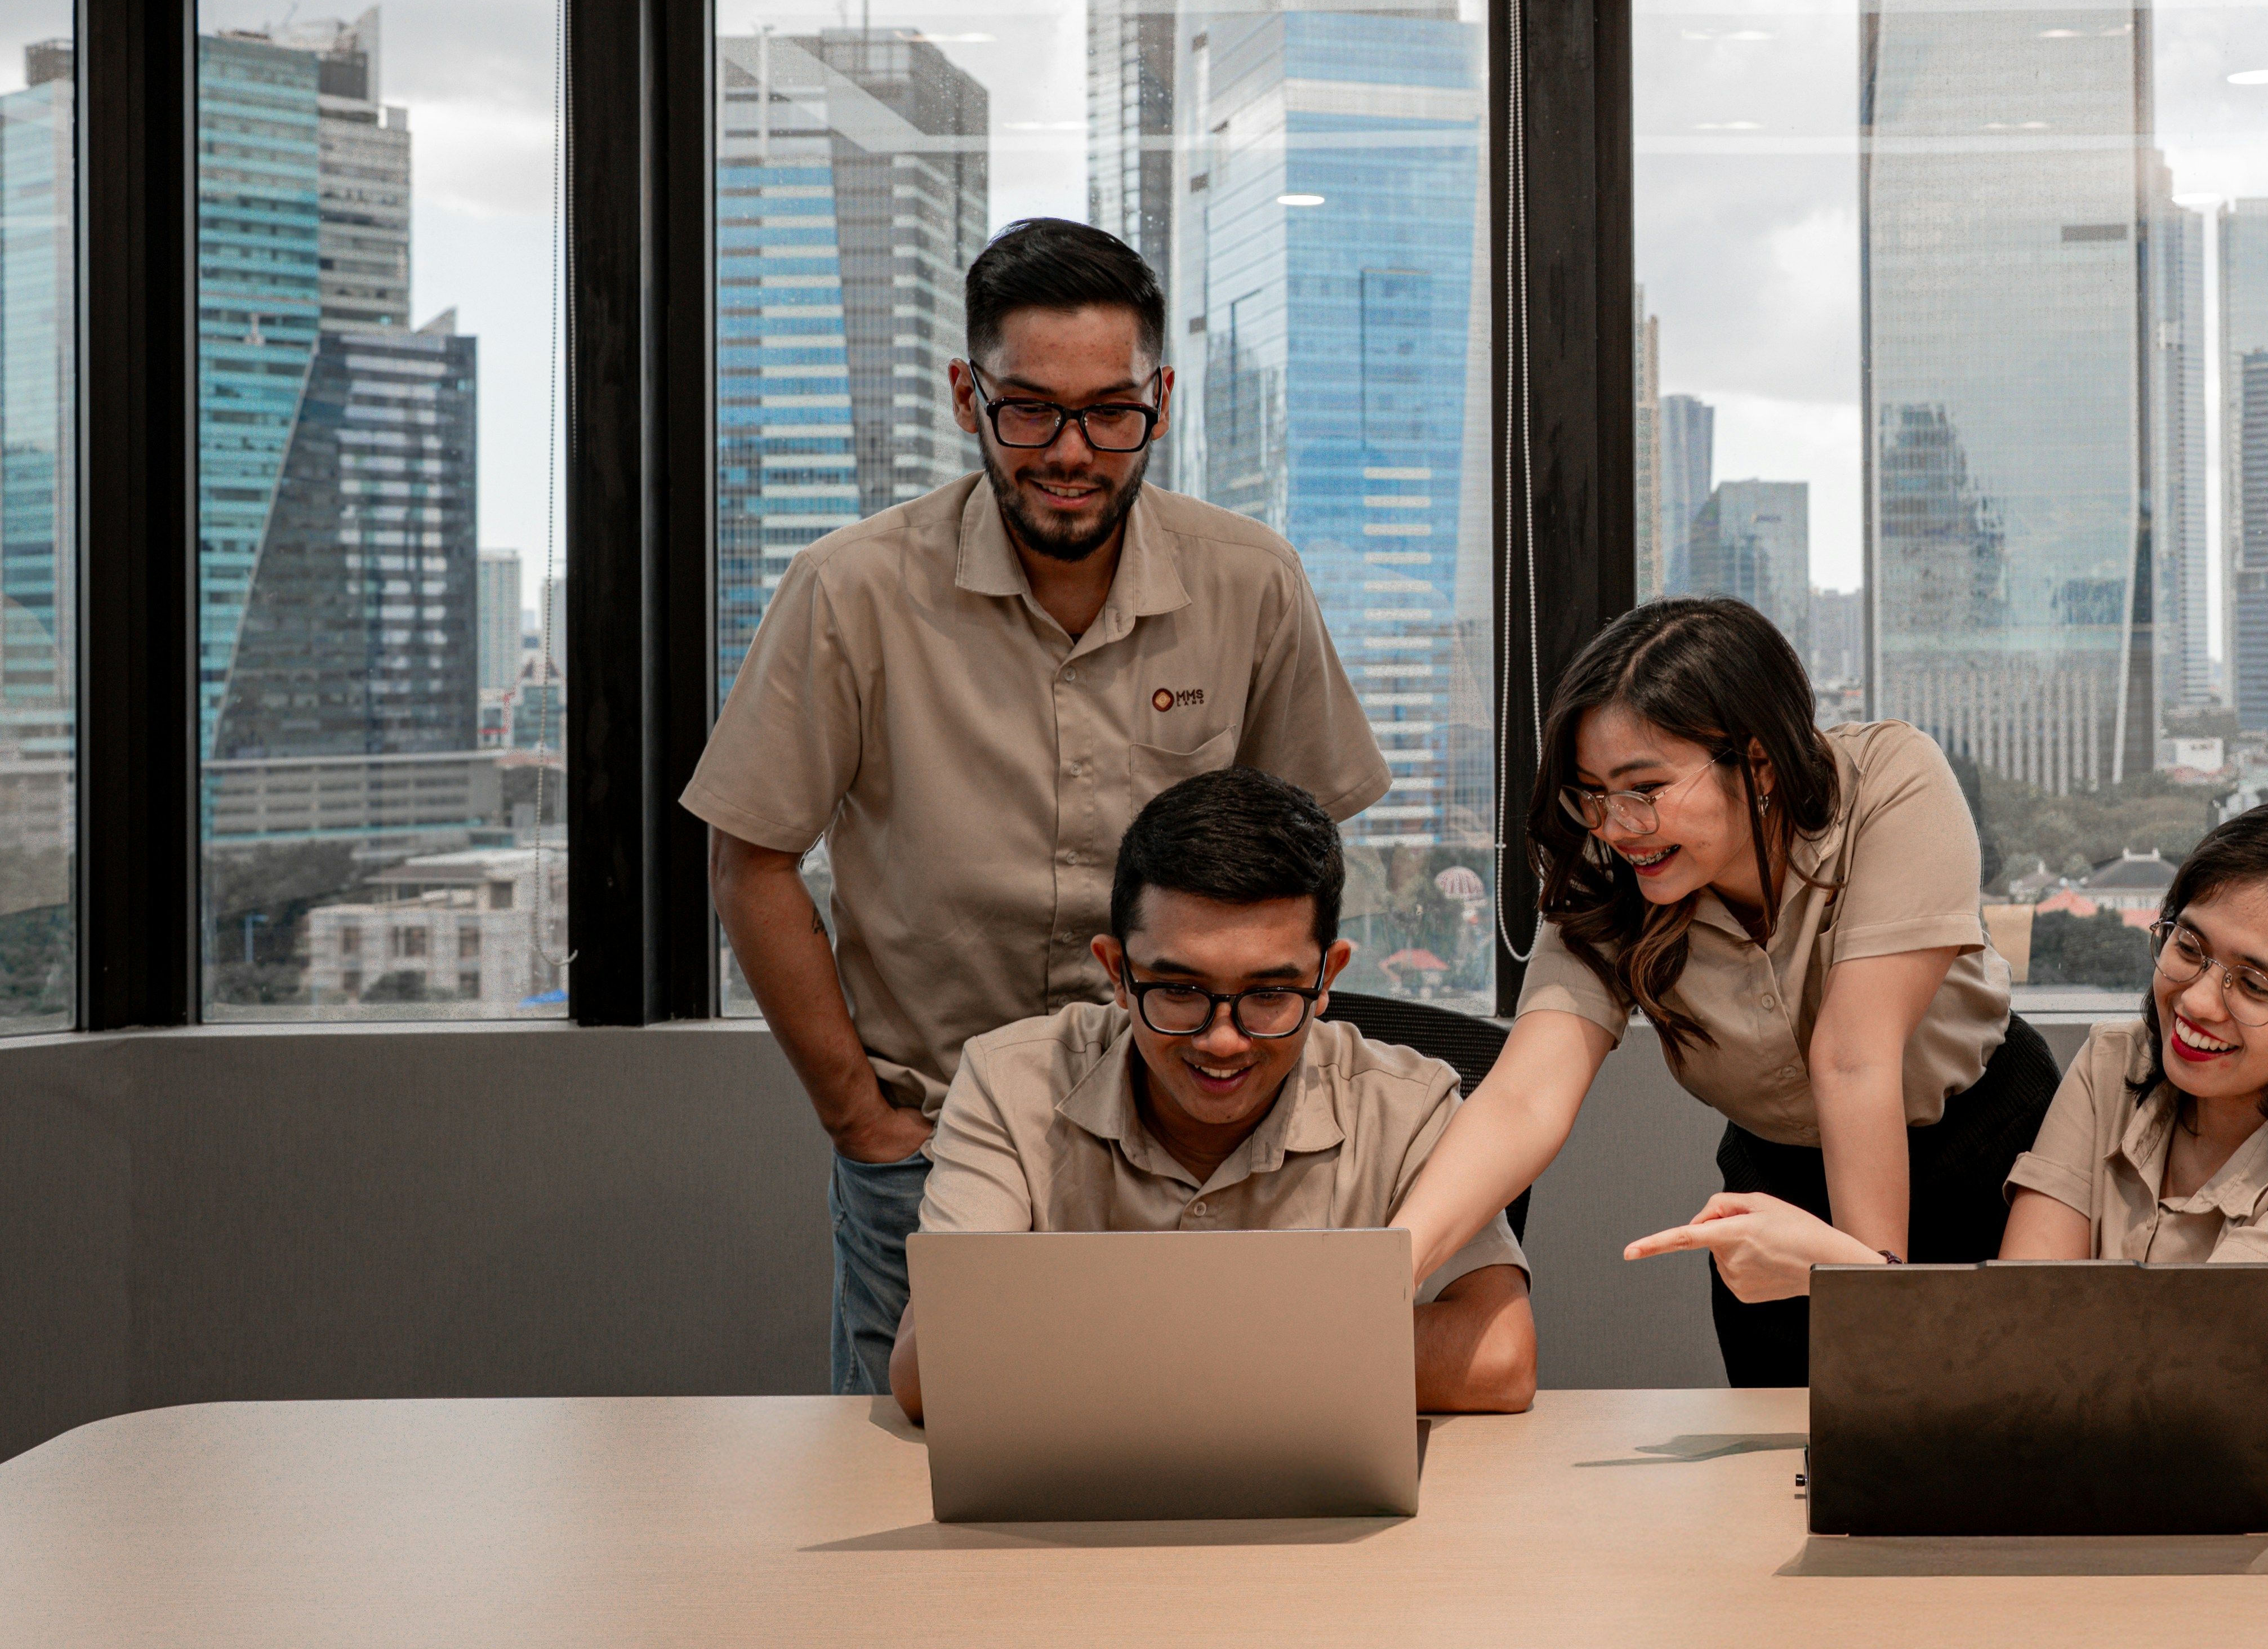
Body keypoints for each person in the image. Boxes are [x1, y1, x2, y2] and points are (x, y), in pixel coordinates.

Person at [686, 217, 1388, 1396]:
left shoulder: (1249, 579)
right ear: (968, 395)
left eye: (1113, 411)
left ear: (1160, 399)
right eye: (1030, 410)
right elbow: (749, 858)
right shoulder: (851, 591)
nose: (1073, 450)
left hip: (1197, 1145)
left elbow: (1304, 851)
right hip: (938, 1140)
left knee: (1216, 1466)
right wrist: (860, 1117)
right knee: (922, 1477)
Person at [1633, 796, 2268, 1435]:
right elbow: (2023, 1321)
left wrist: (1839, 1271)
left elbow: (2109, 1372)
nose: (2198, 1001)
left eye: (2253, 985)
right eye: (2188, 947)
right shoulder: (2118, 1066)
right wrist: (2186, 1363)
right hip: (2124, 1472)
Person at [1389, 596, 2060, 1384]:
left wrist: (1869, 1299)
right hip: (1778, 1192)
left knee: (2006, 1442)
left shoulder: (1888, 780)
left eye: (1644, 788)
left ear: (1760, 761)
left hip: (1987, 1151)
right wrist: (1385, 1273)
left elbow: (1852, 1057)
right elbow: (1523, 1098)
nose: (1616, 825)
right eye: (1591, 794)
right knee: (1786, 1482)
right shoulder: (1608, 877)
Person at [886, 768, 1532, 1423]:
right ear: (1117, 971)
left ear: (1327, 974)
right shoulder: (1009, 1082)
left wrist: (1113, 1347)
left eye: (1270, 995)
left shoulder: (1410, 1106)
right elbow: (929, 1366)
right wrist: (1301, 1344)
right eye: (1180, 990)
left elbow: (1501, 1359)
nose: (1222, 1041)